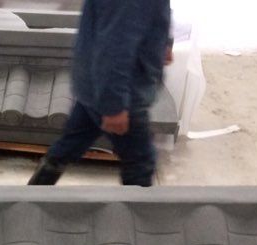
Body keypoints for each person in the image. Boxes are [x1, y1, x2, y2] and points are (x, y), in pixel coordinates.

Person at [28, 0, 172, 187]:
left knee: (69, 145)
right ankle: (137, 208)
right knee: (140, 163)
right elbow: (115, 48)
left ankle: (32, 194)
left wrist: (162, 42)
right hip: (123, 92)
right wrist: (114, 106)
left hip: (94, 87)